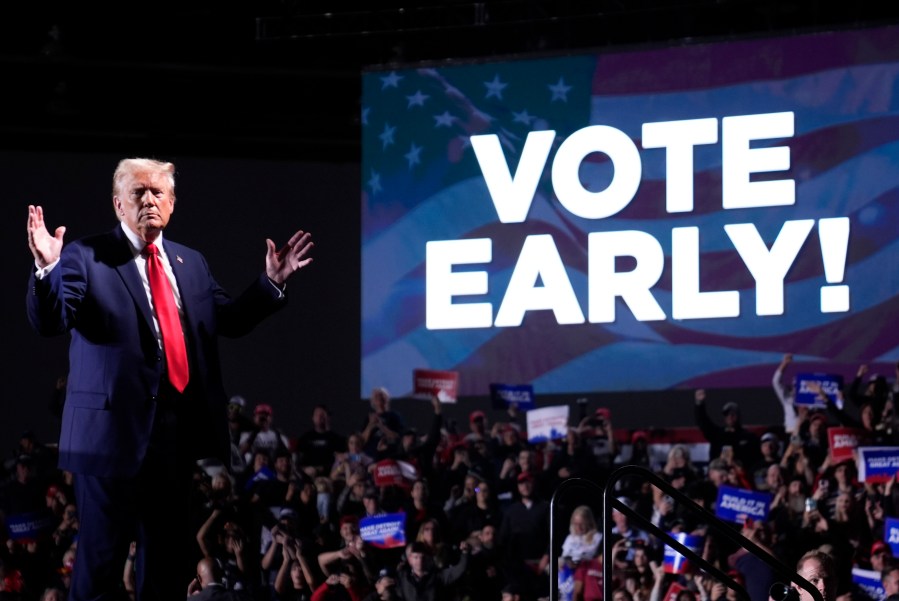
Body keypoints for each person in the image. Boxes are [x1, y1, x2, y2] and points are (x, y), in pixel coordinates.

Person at [25, 158, 315, 601]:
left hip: (174, 444)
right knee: (99, 571)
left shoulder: (191, 262)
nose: (149, 201)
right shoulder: (87, 255)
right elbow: (51, 320)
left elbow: (228, 320)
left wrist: (270, 284)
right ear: (118, 204)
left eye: (158, 193)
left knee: (165, 570)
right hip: (108, 443)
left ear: (172, 203)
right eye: (138, 192)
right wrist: (47, 269)